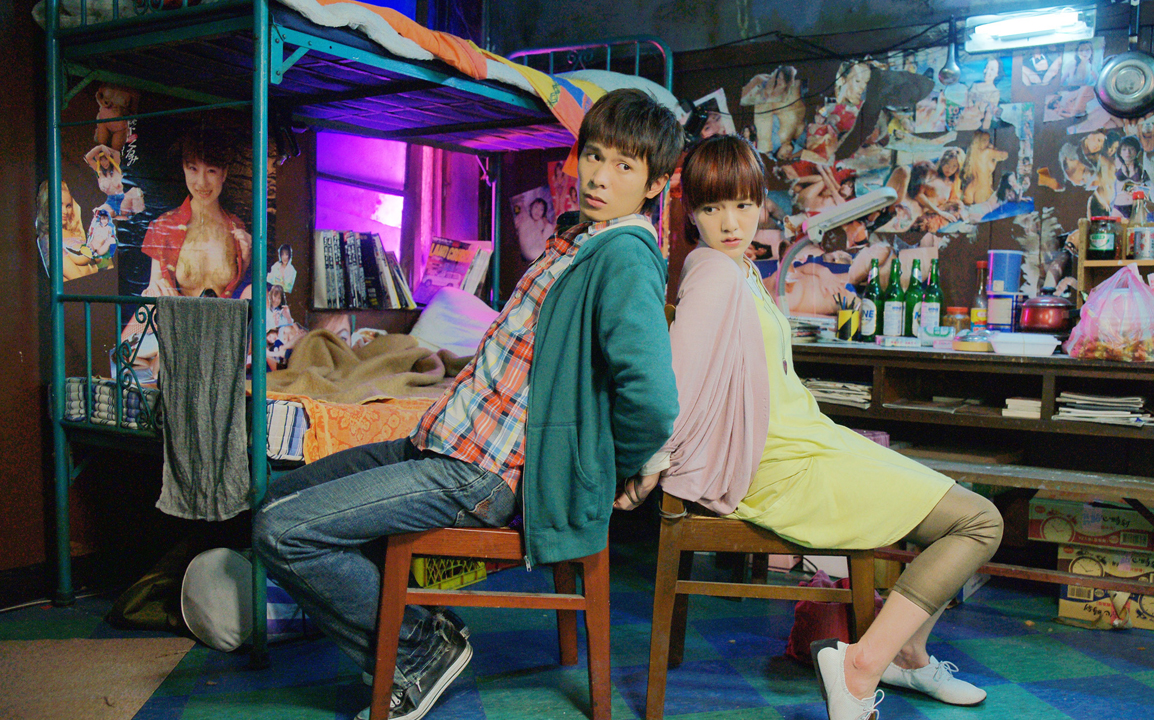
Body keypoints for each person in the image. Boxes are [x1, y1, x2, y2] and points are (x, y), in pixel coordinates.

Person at [253, 88, 683, 720]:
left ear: (655, 184)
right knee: (278, 498)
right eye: (594, 155)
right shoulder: (579, 238)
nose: (598, 176)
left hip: (485, 472)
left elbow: (651, 394)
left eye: (624, 166)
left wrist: (626, 464)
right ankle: (418, 628)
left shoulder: (624, 258)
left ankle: (417, 648)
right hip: (448, 437)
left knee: (281, 530)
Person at [615, 135, 1003, 720]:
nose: (730, 222)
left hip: (807, 443)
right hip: (779, 466)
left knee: (963, 513)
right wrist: (650, 463)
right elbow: (676, 382)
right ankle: (863, 664)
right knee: (979, 522)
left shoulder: (740, 268)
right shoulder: (715, 274)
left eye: (743, 205)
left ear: (760, 205)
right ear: (690, 212)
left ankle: (908, 655)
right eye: (712, 207)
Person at [139, 126, 252, 299]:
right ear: (183, 168)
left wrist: (246, 260)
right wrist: (151, 293)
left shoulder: (237, 227)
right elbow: (154, 289)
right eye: (193, 169)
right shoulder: (163, 226)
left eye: (211, 171)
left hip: (223, 316)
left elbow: (239, 288)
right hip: (178, 316)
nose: (202, 183)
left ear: (224, 173)